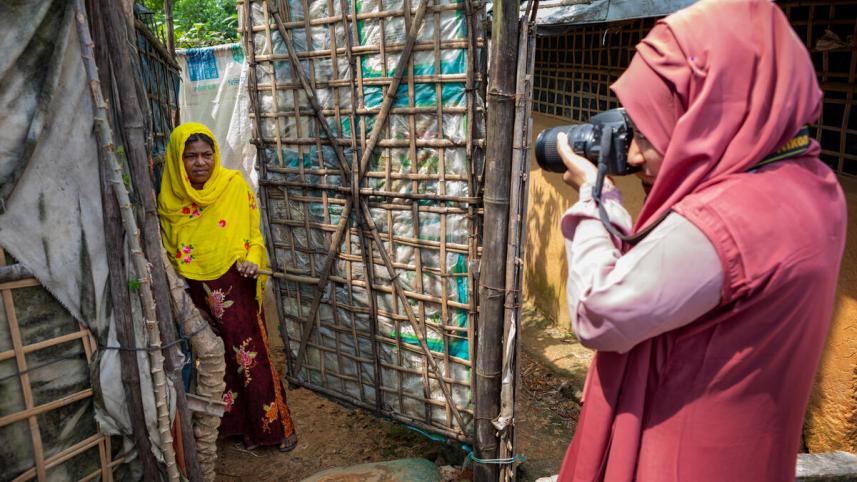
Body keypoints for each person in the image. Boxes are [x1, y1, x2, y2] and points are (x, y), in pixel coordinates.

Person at [554, 1, 846, 480]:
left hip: (677, 460)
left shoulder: (724, 221)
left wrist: (595, 200)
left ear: (705, 116)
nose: (631, 153)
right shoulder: (815, 186)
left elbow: (598, 313)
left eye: (646, 132)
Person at [158, 122, 297, 452]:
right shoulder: (169, 200)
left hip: (235, 285)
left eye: (207, 154)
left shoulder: (233, 187)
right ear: (177, 160)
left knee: (250, 359)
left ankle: (274, 429)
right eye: (190, 156)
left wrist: (251, 258)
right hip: (195, 291)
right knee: (215, 360)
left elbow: (254, 234)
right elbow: (167, 249)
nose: (201, 162)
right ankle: (234, 427)